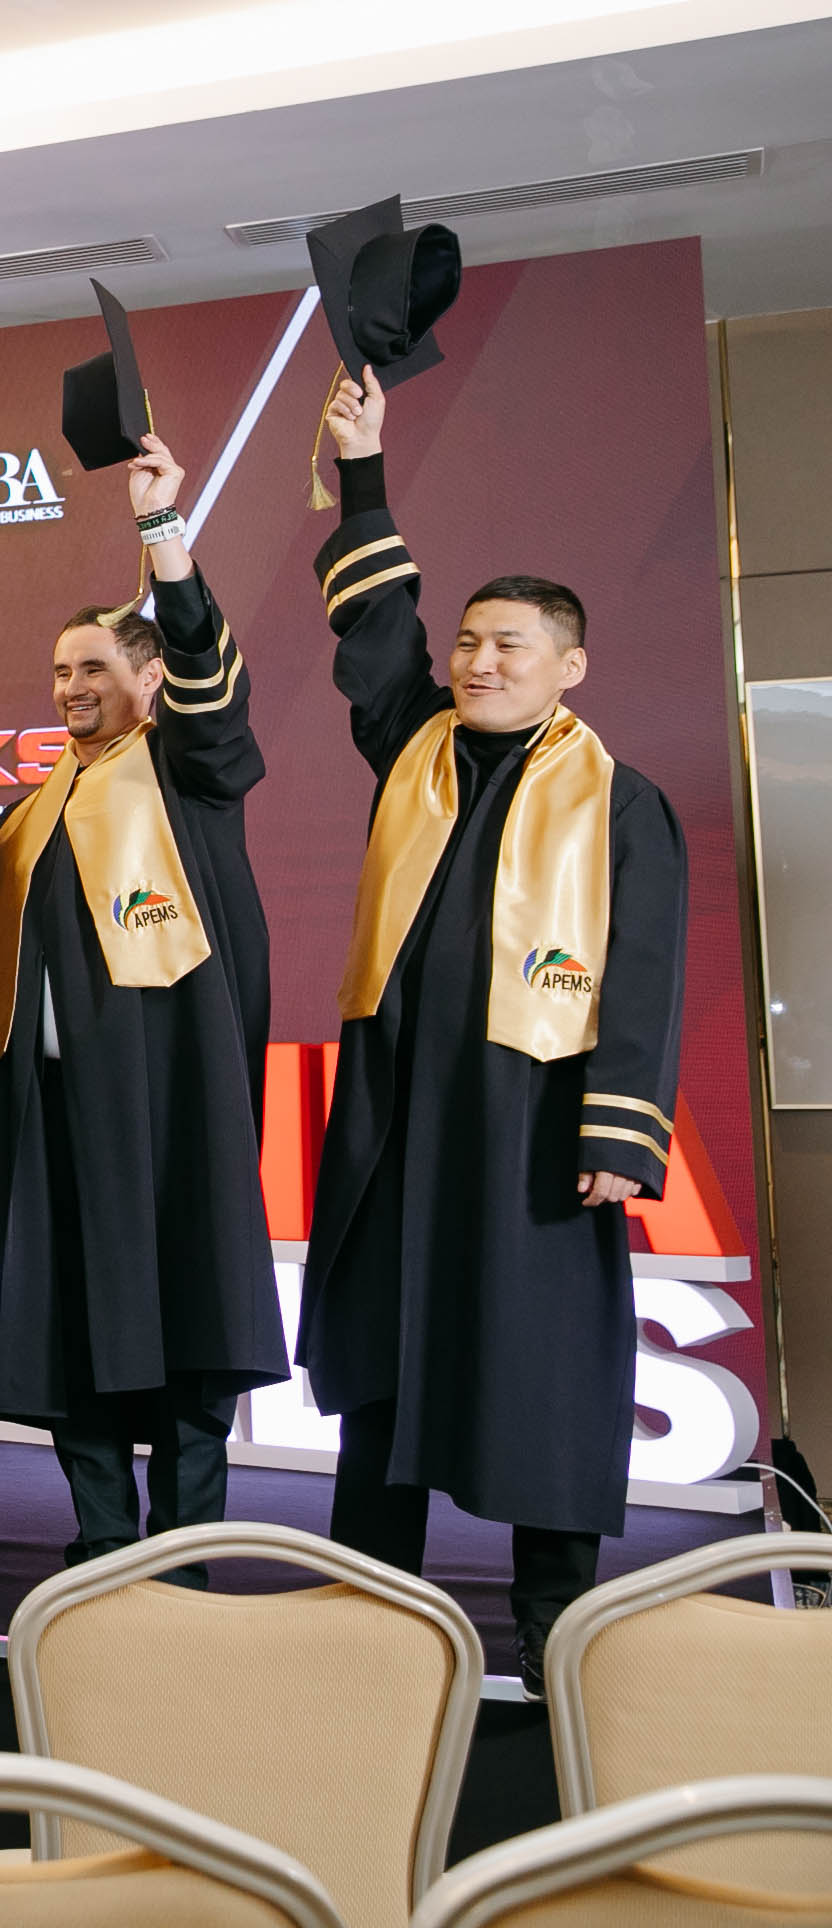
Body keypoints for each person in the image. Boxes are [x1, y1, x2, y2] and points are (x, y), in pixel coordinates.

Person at [304, 368, 690, 1690]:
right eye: (469, 640)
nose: (476, 660)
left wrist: (619, 1133)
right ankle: (370, 1623)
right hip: (403, 1122)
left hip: (531, 1129)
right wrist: (363, 469)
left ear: (569, 665)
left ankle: (557, 1633)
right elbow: (377, 632)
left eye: (508, 645)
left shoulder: (618, 800)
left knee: (538, 1371)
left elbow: (644, 971)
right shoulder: (415, 750)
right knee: (385, 1368)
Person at [0, 432, 286, 1572]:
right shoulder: (30, 814)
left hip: (166, 1105)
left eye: (93, 667)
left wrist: (163, 536)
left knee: (186, 1322)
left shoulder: (190, 772)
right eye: (60, 671)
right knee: (64, 1331)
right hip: (48, 1112)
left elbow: (213, 686)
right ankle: (101, 1542)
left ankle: (183, 1552)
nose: (71, 688)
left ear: (151, 681)